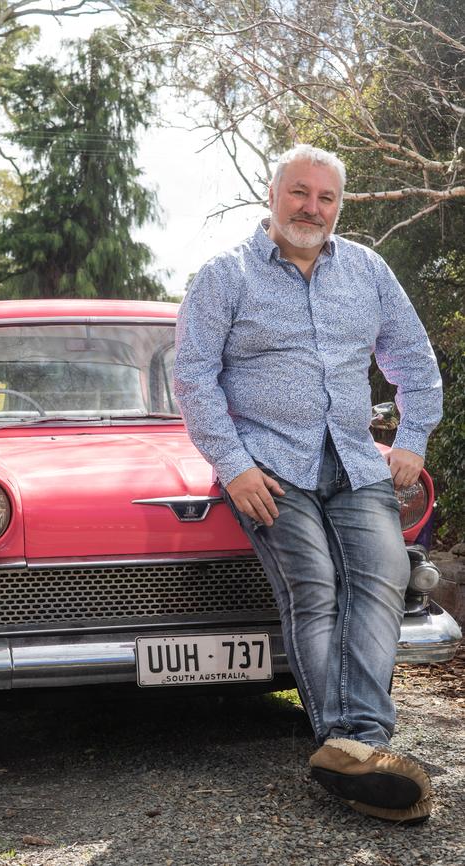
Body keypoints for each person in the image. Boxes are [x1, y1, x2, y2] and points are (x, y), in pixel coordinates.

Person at [173, 144, 442, 823]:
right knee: (315, 585)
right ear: (272, 195)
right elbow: (195, 378)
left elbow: (412, 357)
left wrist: (410, 440)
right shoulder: (225, 276)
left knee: (381, 576)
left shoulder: (368, 270)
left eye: (326, 198)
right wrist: (233, 466)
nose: (312, 208)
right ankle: (353, 745)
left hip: (354, 458)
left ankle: (353, 745)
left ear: (339, 206)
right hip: (267, 466)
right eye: (300, 192)